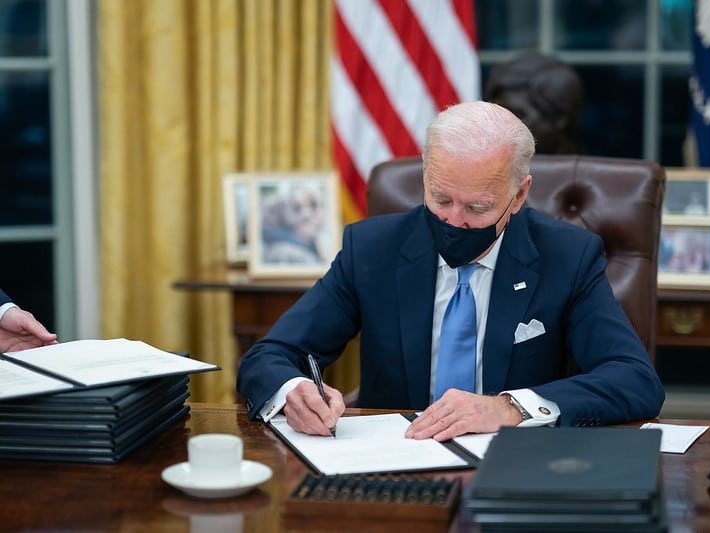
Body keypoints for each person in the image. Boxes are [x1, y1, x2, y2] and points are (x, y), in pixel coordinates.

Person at [237, 101, 664, 441]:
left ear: (519, 195)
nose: (454, 221)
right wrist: (294, 392)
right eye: (441, 199)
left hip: (515, 466)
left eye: (477, 207)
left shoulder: (566, 256)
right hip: (395, 465)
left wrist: (508, 407)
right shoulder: (372, 250)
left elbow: (634, 379)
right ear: (425, 172)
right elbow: (270, 356)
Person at [485, 52, 584, 154]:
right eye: (494, 116)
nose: (496, 128)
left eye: (517, 116)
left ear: (559, 119)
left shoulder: (588, 169)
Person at [260, 185, 325, 264]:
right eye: (298, 207)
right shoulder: (281, 206)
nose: (306, 213)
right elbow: (266, 231)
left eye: (311, 205)